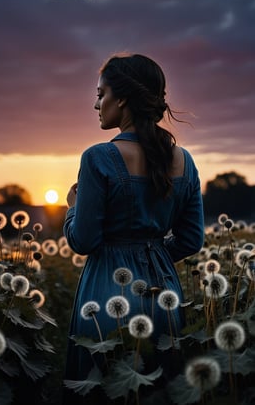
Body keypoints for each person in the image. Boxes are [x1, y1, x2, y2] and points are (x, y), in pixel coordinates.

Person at [62, 53, 204, 404]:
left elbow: (84, 240)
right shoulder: (184, 160)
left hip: (107, 293)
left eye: (101, 94)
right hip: (163, 290)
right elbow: (191, 239)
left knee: (101, 385)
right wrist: (151, 254)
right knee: (161, 389)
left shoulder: (97, 157)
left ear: (121, 98)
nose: (96, 104)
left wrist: (72, 208)